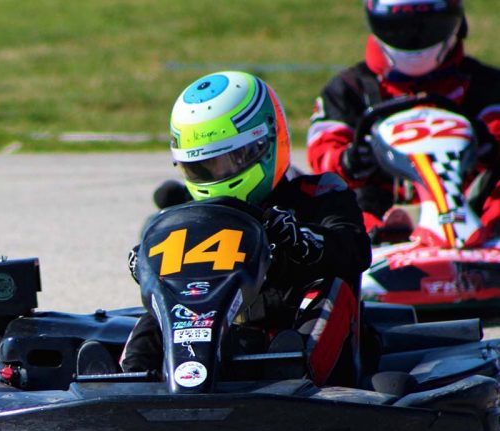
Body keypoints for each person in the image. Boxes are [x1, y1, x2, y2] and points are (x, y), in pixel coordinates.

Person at [119, 71, 372, 387]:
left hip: (290, 332)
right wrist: (146, 261)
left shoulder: (320, 193)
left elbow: (356, 251)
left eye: (229, 159)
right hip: (217, 332)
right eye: (202, 166)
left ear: (265, 142)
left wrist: (303, 240)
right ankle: (129, 379)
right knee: (164, 303)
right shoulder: (187, 212)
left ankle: (296, 374)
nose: (217, 174)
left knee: (329, 289)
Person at [307, 0, 500, 236]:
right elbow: (323, 157)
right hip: (379, 223)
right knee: (322, 201)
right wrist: (350, 160)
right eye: (398, 29)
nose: (413, 37)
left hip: (474, 213)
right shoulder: (350, 90)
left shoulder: (485, 86)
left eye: (425, 27)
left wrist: (488, 146)